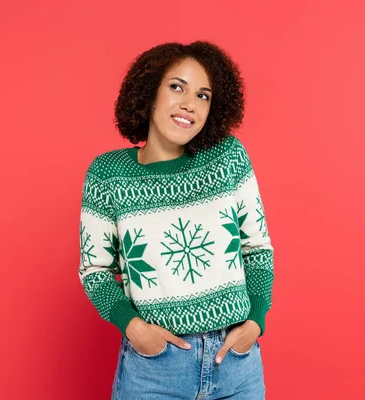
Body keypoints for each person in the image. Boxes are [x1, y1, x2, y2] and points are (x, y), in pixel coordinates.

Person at [78, 41, 274, 400]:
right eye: (176, 87)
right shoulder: (107, 175)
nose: (189, 104)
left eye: (203, 95)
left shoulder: (228, 157)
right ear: (149, 92)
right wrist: (133, 327)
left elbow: (256, 248)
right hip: (155, 371)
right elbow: (95, 270)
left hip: (235, 363)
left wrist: (256, 320)